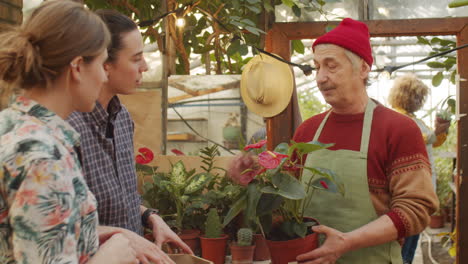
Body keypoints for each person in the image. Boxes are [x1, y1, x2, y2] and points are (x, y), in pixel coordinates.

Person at [0, 1, 138, 263]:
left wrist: (99, 234)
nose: (102, 76)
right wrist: (111, 257)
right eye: (100, 63)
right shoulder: (43, 157)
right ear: (77, 67)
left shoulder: (11, 124)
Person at [292, 18, 438, 263]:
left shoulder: (398, 129)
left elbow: (416, 208)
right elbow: (286, 202)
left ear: (363, 69)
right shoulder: (307, 132)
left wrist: (346, 243)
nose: (320, 78)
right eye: (317, 67)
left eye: (331, 66)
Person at [67, 9, 192, 262]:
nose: (145, 67)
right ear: (105, 64)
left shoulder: (122, 119)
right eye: (136, 59)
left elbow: (120, 199)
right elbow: (59, 228)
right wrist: (123, 236)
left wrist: (149, 217)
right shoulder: (65, 129)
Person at [388, 73, 450, 264]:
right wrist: (435, 133)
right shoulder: (399, 118)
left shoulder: (412, 118)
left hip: (419, 182)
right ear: (404, 96)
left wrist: (440, 132)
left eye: (420, 97)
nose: (419, 101)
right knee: (409, 227)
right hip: (410, 184)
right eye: (416, 96)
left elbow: (430, 143)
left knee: (413, 226)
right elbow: (416, 141)